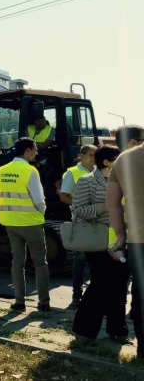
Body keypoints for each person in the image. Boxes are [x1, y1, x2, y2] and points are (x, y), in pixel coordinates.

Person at [71, 145, 128, 343]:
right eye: (118, 159)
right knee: (100, 284)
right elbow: (78, 210)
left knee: (120, 286)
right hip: (97, 241)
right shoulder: (86, 181)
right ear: (106, 162)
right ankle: (83, 331)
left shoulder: (124, 181)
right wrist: (105, 206)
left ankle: (118, 330)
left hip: (121, 240)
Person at [0, 137, 50, 312]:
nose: (37, 152)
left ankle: (19, 302)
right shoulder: (30, 170)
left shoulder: (2, 169)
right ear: (28, 151)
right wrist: (41, 212)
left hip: (9, 222)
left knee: (17, 261)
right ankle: (43, 303)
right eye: (35, 149)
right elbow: (39, 200)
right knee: (40, 262)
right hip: (30, 222)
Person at [108, 125, 144, 358]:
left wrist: (120, 235)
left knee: (140, 295)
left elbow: (112, 202)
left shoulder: (126, 158)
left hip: (138, 241)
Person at [59, 145, 97, 308]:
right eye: (91, 155)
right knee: (80, 258)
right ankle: (76, 295)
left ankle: (96, 294)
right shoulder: (72, 173)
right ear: (81, 156)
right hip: (81, 220)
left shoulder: (99, 171)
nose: (94, 158)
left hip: (100, 219)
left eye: (96, 155)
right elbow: (64, 196)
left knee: (98, 258)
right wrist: (82, 206)